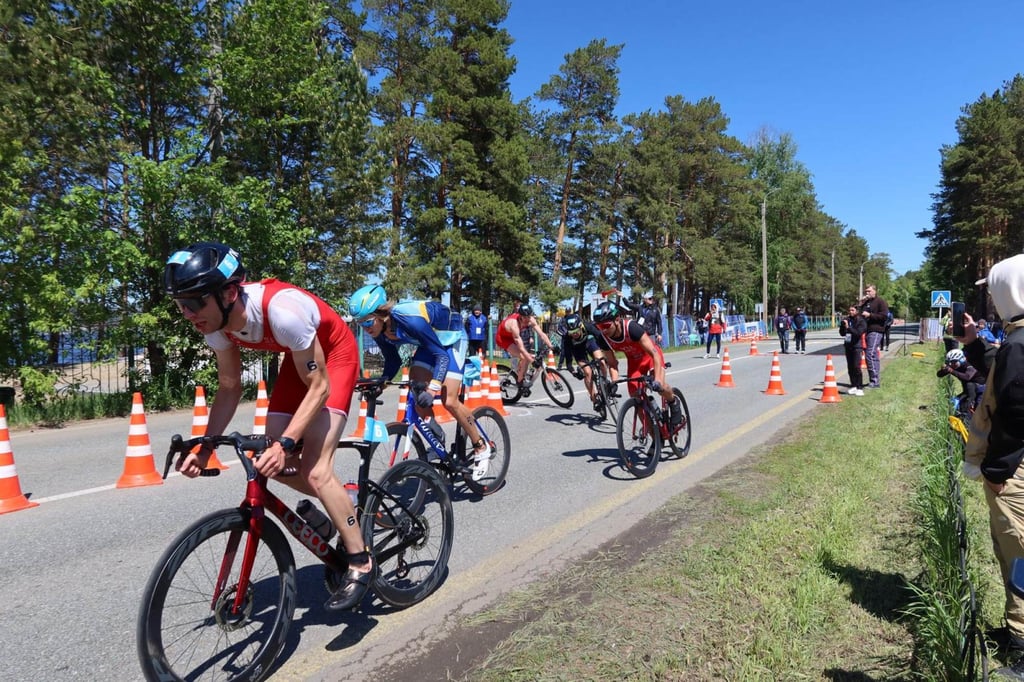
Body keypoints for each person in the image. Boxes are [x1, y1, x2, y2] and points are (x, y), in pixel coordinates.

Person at [164, 242, 370, 613]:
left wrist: (288, 442)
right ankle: (342, 503)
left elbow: (320, 387)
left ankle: (360, 561)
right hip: (299, 359)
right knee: (266, 462)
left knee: (315, 469)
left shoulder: (282, 311)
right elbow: (229, 387)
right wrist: (205, 447)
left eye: (194, 303)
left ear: (228, 293)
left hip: (334, 356)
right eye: (181, 305)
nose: (188, 314)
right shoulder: (215, 323)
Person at [349, 284, 493, 481]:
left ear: (381, 314)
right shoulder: (380, 331)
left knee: (448, 400)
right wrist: (380, 384)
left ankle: (480, 446)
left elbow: (441, 356)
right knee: (417, 393)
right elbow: (394, 361)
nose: (365, 329)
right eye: (360, 324)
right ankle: (437, 438)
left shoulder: (410, 320)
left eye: (367, 323)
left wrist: (434, 387)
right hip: (430, 344)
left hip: (452, 340)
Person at [963, 253, 1024, 679]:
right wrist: (973, 343)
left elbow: (1017, 408)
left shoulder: (1020, 345)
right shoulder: (1017, 340)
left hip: (1015, 470)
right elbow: (1000, 378)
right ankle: (1016, 629)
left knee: (1018, 552)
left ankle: (1022, 651)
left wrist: (998, 471)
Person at [591, 300, 683, 427]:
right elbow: (612, 363)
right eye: (600, 327)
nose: (603, 330)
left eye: (606, 326)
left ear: (617, 320)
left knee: (660, 387)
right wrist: (613, 382)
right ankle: (655, 439)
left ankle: (673, 402)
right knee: (636, 399)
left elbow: (654, 353)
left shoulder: (631, 328)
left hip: (651, 357)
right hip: (634, 361)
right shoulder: (603, 338)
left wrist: (656, 380)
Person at [560, 311, 616, 410]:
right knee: (587, 372)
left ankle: (604, 381)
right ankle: (594, 399)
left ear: (581, 326)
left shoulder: (587, 326)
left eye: (576, 331)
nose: (575, 334)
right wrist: (574, 372)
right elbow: (568, 360)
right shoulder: (567, 338)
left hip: (589, 342)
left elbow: (600, 337)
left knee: (601, 361)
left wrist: (607, 354)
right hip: (577, 350)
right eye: (571, 332)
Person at [495, 303, 555, 386]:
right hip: (503, 339)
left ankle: (521, 372)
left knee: (527, 357)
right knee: (524, 356)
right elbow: (522, 348)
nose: (527, 319)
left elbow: (541, 334)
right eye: (524, 317)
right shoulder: (514, 324)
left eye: (529, 317)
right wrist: (532, 361)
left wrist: (551, 346)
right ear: (520, 316)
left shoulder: (531, 319)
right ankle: (520, 381)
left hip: (514, 336)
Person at [937, 348, 985, 414]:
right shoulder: (955, 365)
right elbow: (939, 375)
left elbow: (967, 377)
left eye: (953, 362)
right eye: (949, 362)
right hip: (969, 391)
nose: (951, 364)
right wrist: (944, 370)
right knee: (954, 404)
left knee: (976, 410)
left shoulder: (970, 364)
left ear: (961, 359)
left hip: (981, 390)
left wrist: (951, 370)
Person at [859, 284, 889, 388]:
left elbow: (884, 316)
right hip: (867, 330)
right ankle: (875, 380)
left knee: (869, 354)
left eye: (869, 291)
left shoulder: (880, 302)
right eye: (866, 291)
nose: (867, 293)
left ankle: (874, 380)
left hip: (876, 330)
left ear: (875, 291)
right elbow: (858, 313)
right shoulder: (866, 303)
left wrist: (870, 315)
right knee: (873, 356)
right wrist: (861, 303)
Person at [839, 304, 866, 395]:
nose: (850, 312)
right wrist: (843, 326)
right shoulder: (847, 320)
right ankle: (853, 385)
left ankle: (859, 387)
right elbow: (842, 334)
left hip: (857, 346)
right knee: (850, 367)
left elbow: (858, 333)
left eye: (852, 310)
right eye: (850, 310)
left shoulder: (861, 321)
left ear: (857, 311)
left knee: (856, 367)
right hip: (848, 345)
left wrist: (848, 328)